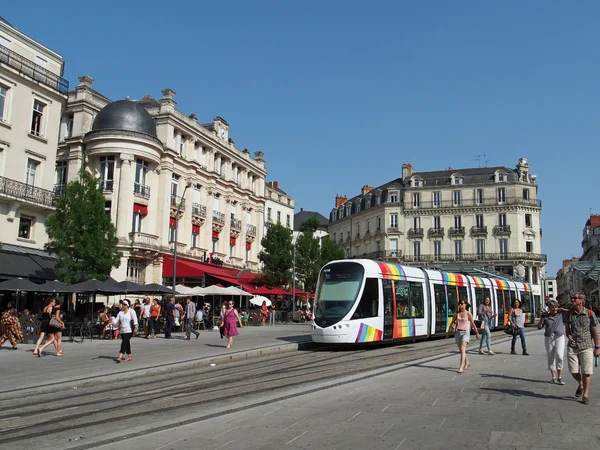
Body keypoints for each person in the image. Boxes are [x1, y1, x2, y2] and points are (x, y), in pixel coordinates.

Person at [565, 292, 600, 405]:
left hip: (586, 346)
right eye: (572, 298)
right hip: (573, 346)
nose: (573, 300)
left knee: (586, 371)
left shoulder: (590, 313)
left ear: (582, 300)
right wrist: (570, 338)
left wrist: (597, 347)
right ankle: (580, 383)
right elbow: (567, 330)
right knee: (573, 371)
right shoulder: (569, 313)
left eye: (575, 298)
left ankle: (585, 394)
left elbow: (595, 331)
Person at [447, 300, 480, 373]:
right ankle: (467, 362)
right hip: (458, 333)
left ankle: (461, 367)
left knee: (462, 349)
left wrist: (477, 333)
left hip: (466, 332)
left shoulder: (468, 314)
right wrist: (448, 332)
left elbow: (473, 324)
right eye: (459, 304)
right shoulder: (456, 314)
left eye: (462, 304)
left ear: (465, 305)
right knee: (462, 351)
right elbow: (452, 323)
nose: (460, 305)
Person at [538, 300, 566, 385]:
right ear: (549, 308)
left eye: (555, 307)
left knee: (560, 356)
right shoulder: (545, 316)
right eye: (552, 307)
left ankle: (560, 376)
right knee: (551, 357)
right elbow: (539, 327)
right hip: (549, 337)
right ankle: (553, 377)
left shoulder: (561, 314)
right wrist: (541, 319)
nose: (554, 309)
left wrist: (561, 308)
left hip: (559, 337)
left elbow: (570, 310)